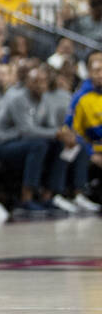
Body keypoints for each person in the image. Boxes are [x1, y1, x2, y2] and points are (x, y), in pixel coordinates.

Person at [0, 65, 68, 213]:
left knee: (60, 144)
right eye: (35, 81)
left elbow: (50, 126)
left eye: (43, 81)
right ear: (27, 83)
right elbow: (28, 131)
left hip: (20, 143)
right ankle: (26, 199)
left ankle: (48, 196)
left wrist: (63, 133)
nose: (40, 85)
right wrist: (56, 132)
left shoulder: (44, 99)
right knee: (39, 145)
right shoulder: (18, 99)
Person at [62, 51, 102, 213]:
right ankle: (78, 193)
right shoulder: (81, 98)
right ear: (89, 72)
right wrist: (92, 153)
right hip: (92, 150)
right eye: (96, 70)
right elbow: (72, 131)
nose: (100, 74)